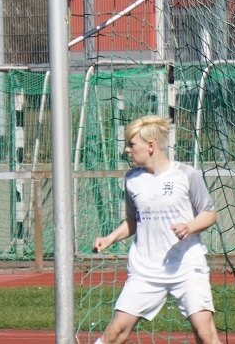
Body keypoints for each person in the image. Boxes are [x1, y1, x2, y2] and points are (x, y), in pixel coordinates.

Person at [91, 115, 222, 344]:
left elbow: (209, 213)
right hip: (145, 270)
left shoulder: (187, 174)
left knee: (205, 334)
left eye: (132, 144)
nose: (127, 150)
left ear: (150, 146)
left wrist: (189, 226)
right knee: (114, 333)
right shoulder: (132, 179)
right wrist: (109, 239)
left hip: (187, 265)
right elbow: (133, 220)